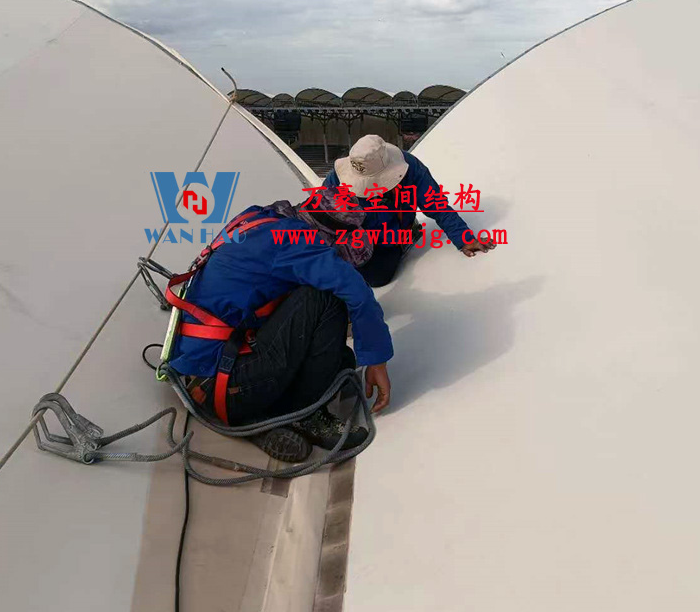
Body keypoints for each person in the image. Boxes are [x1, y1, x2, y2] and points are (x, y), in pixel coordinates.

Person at [166, 187, 393, 462]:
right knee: (327, 299)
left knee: (340, 357)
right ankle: (306, 415)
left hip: (202, 369)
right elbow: (357, 293)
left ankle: (264, 415)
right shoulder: (298, 242)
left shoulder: (259, 219)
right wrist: (377, 360)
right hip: (224, 385)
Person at [324, 134, 496, 287]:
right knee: (333, 271)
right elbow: (321, 214)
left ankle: (407, 234)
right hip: (354, 233)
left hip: (390, 233)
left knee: (377, 277)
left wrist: (464, 238)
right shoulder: (338, 176)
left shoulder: (410, 167)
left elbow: (436, 203)